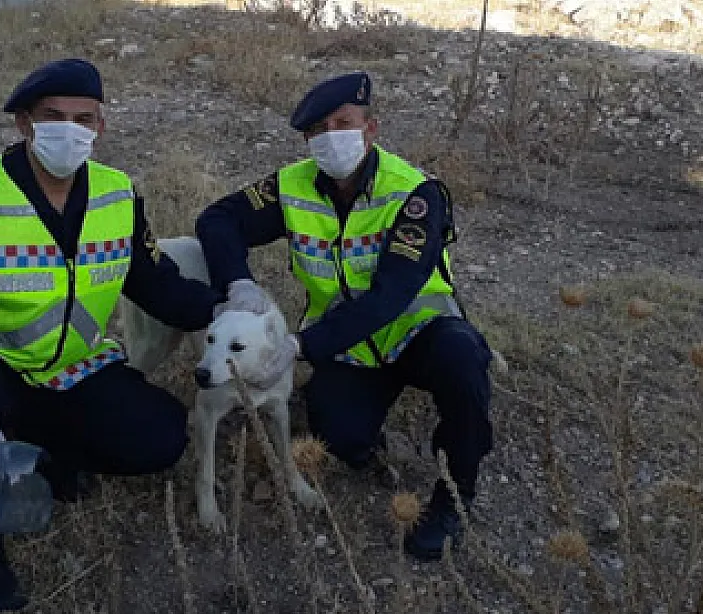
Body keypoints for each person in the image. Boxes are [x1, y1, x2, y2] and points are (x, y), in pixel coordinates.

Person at [0, 58, 224, 613]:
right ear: (24, 123)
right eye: (54, 116)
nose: (69, 130)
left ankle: (46, 457)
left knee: (161, 436)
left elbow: (155, 286)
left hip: (77, 367)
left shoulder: (117, 195)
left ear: (101, 126)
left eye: (84, 118)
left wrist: (227, 308)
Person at [197, 71, 494, 562]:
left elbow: (390, 295)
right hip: (350, 348)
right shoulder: (290, 186)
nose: (331, 138)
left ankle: (454, 497)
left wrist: (297, 347)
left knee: (462, 361)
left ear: (369, 129)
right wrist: (238, 282)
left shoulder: (415, 194)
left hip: (419, 334)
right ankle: (369, 437)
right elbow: (217, 219)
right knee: (339, 439)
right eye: (318, 130)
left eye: (343, 123)